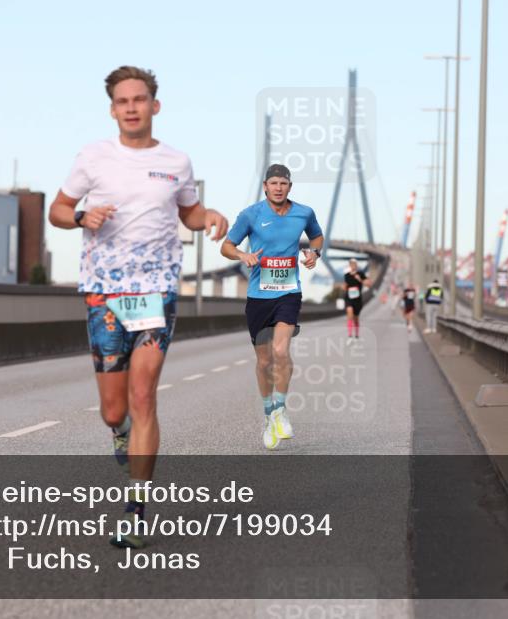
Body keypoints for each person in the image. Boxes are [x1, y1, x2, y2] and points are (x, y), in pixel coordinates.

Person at [48, 66, 227, 548]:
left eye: (140, 99)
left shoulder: (176, 161)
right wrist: (83, 214)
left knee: (145, 392)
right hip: (104, 291)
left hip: (156, 290)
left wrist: (206, 215)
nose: (131, 107)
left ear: (155, 106)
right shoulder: (93, 157)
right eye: (123, 101)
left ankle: (136, 509)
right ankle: (120, 430)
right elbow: (58, 211)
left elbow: (188, 212)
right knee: (113, 409)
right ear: (113, 109)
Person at [220, 163, 323, 449]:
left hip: (289, 292)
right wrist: (243, 255)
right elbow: (226, 246)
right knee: (264, 361)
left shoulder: (304, 212)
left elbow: (317, 236)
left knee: (281, 350)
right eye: (273, 183)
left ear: (290, 186)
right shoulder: (250, 215)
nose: (278, 188)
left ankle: (280, 408)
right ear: (265, 186)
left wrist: (314, 253)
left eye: (284, 183)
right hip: (258, 297)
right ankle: (268, 416)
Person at [343, 258, 371, 344]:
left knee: (356, 319)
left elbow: (368, 284)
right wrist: (343, 288)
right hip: (349, 298)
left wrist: (360, 280)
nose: (353, 265)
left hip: (357, 299)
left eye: (354, 264)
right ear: (350, 265)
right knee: (349, 314)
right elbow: (345, 286)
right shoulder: (347, 275)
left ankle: (357, 336)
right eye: (351, 264)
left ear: (356, 265)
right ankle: (350, 336)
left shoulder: (361, 274)